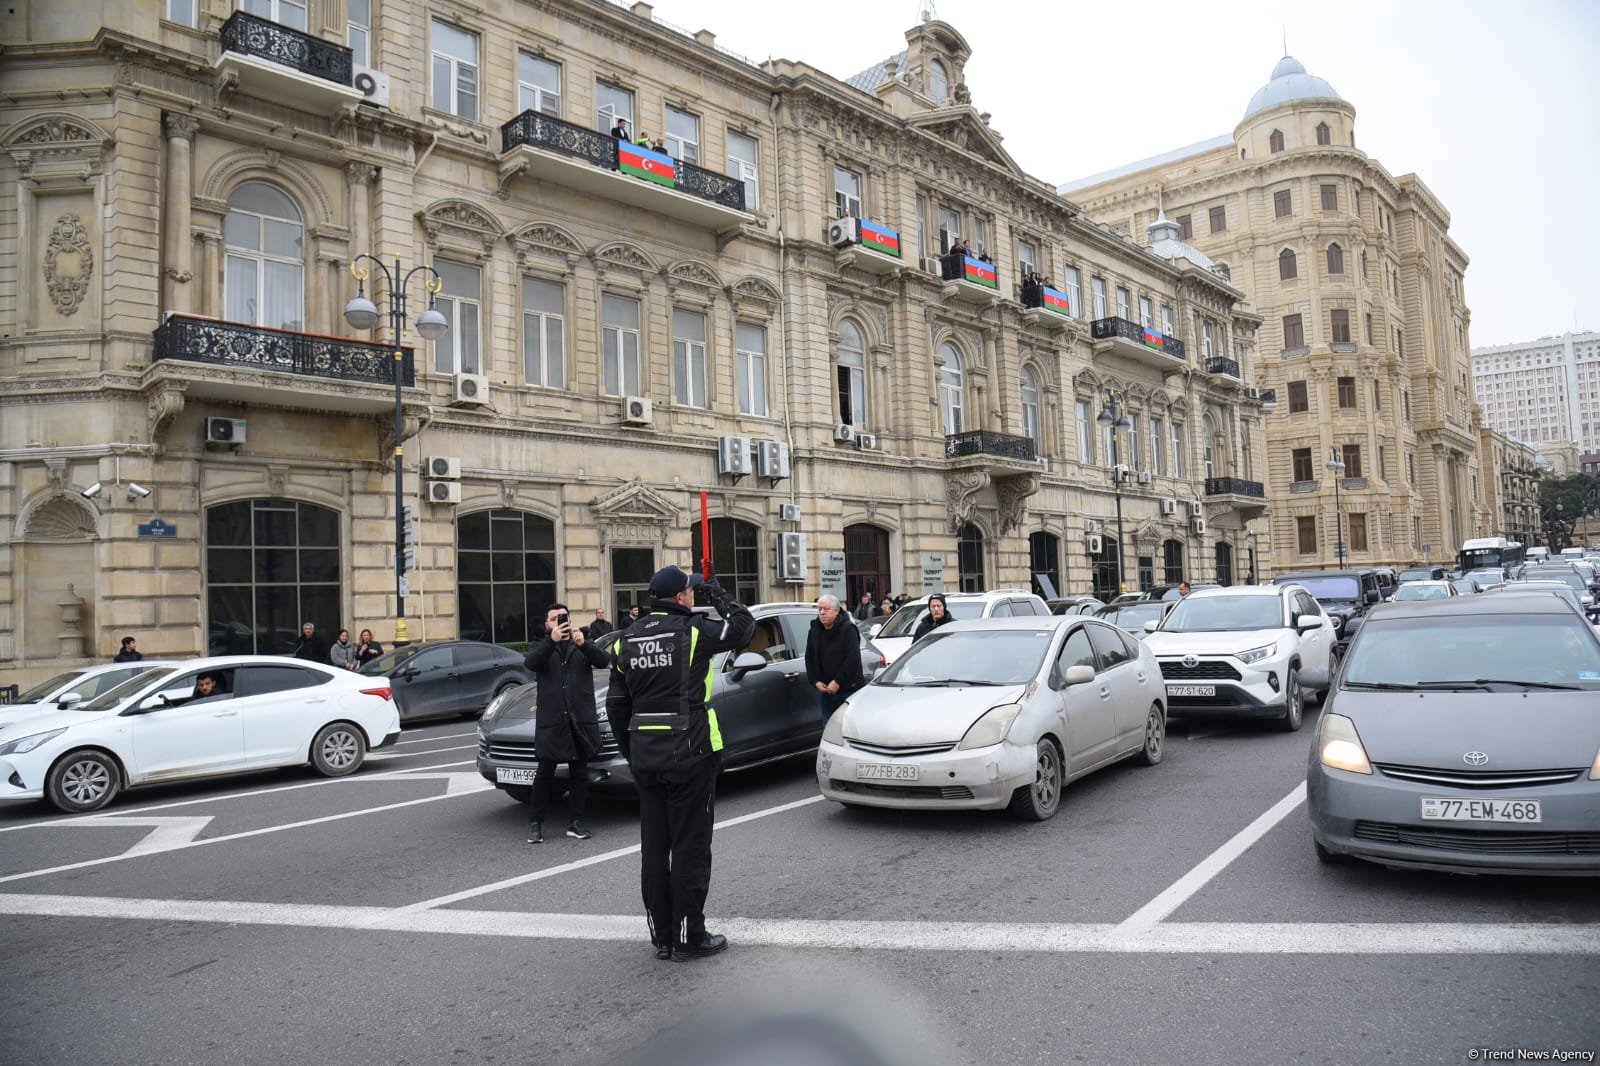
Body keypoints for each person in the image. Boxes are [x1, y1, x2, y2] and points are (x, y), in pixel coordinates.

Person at [607, 564, 753, 962]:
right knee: (690, 847)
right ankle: (689, 937)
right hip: (689, 754)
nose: (693, 596)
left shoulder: (624, 640)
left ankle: (663, 938)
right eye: (691, 591)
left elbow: (616, 706)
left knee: (654, 848)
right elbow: (743, 626)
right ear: (683, 597)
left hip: (646, 758)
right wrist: (718, 592)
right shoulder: (691, 632)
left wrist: (632, 750)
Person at [523, 603, 611, 844]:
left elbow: (604, 660)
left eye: (563, 617)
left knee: (579, 774)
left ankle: (576, 821)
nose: (559, 622)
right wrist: (550, 641)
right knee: (544, 773)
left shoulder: (581, 641)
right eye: (554, 618)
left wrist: (585, 644)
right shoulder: (541, 645)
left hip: (578, 718)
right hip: (552, 720)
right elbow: (530, 664)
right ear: (547, 624)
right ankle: (536, 823)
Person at [804, 594, 865, 722]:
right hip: (826, 692)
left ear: (836, 611)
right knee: (829, 730)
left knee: (847, 728)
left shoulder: (848, 629)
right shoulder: (815, 630)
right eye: (819, 609)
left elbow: (852, 659)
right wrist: (815, 681)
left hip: (847, 690)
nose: (822, 612)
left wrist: (837, 681)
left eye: (826, 609)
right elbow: (809, 657)